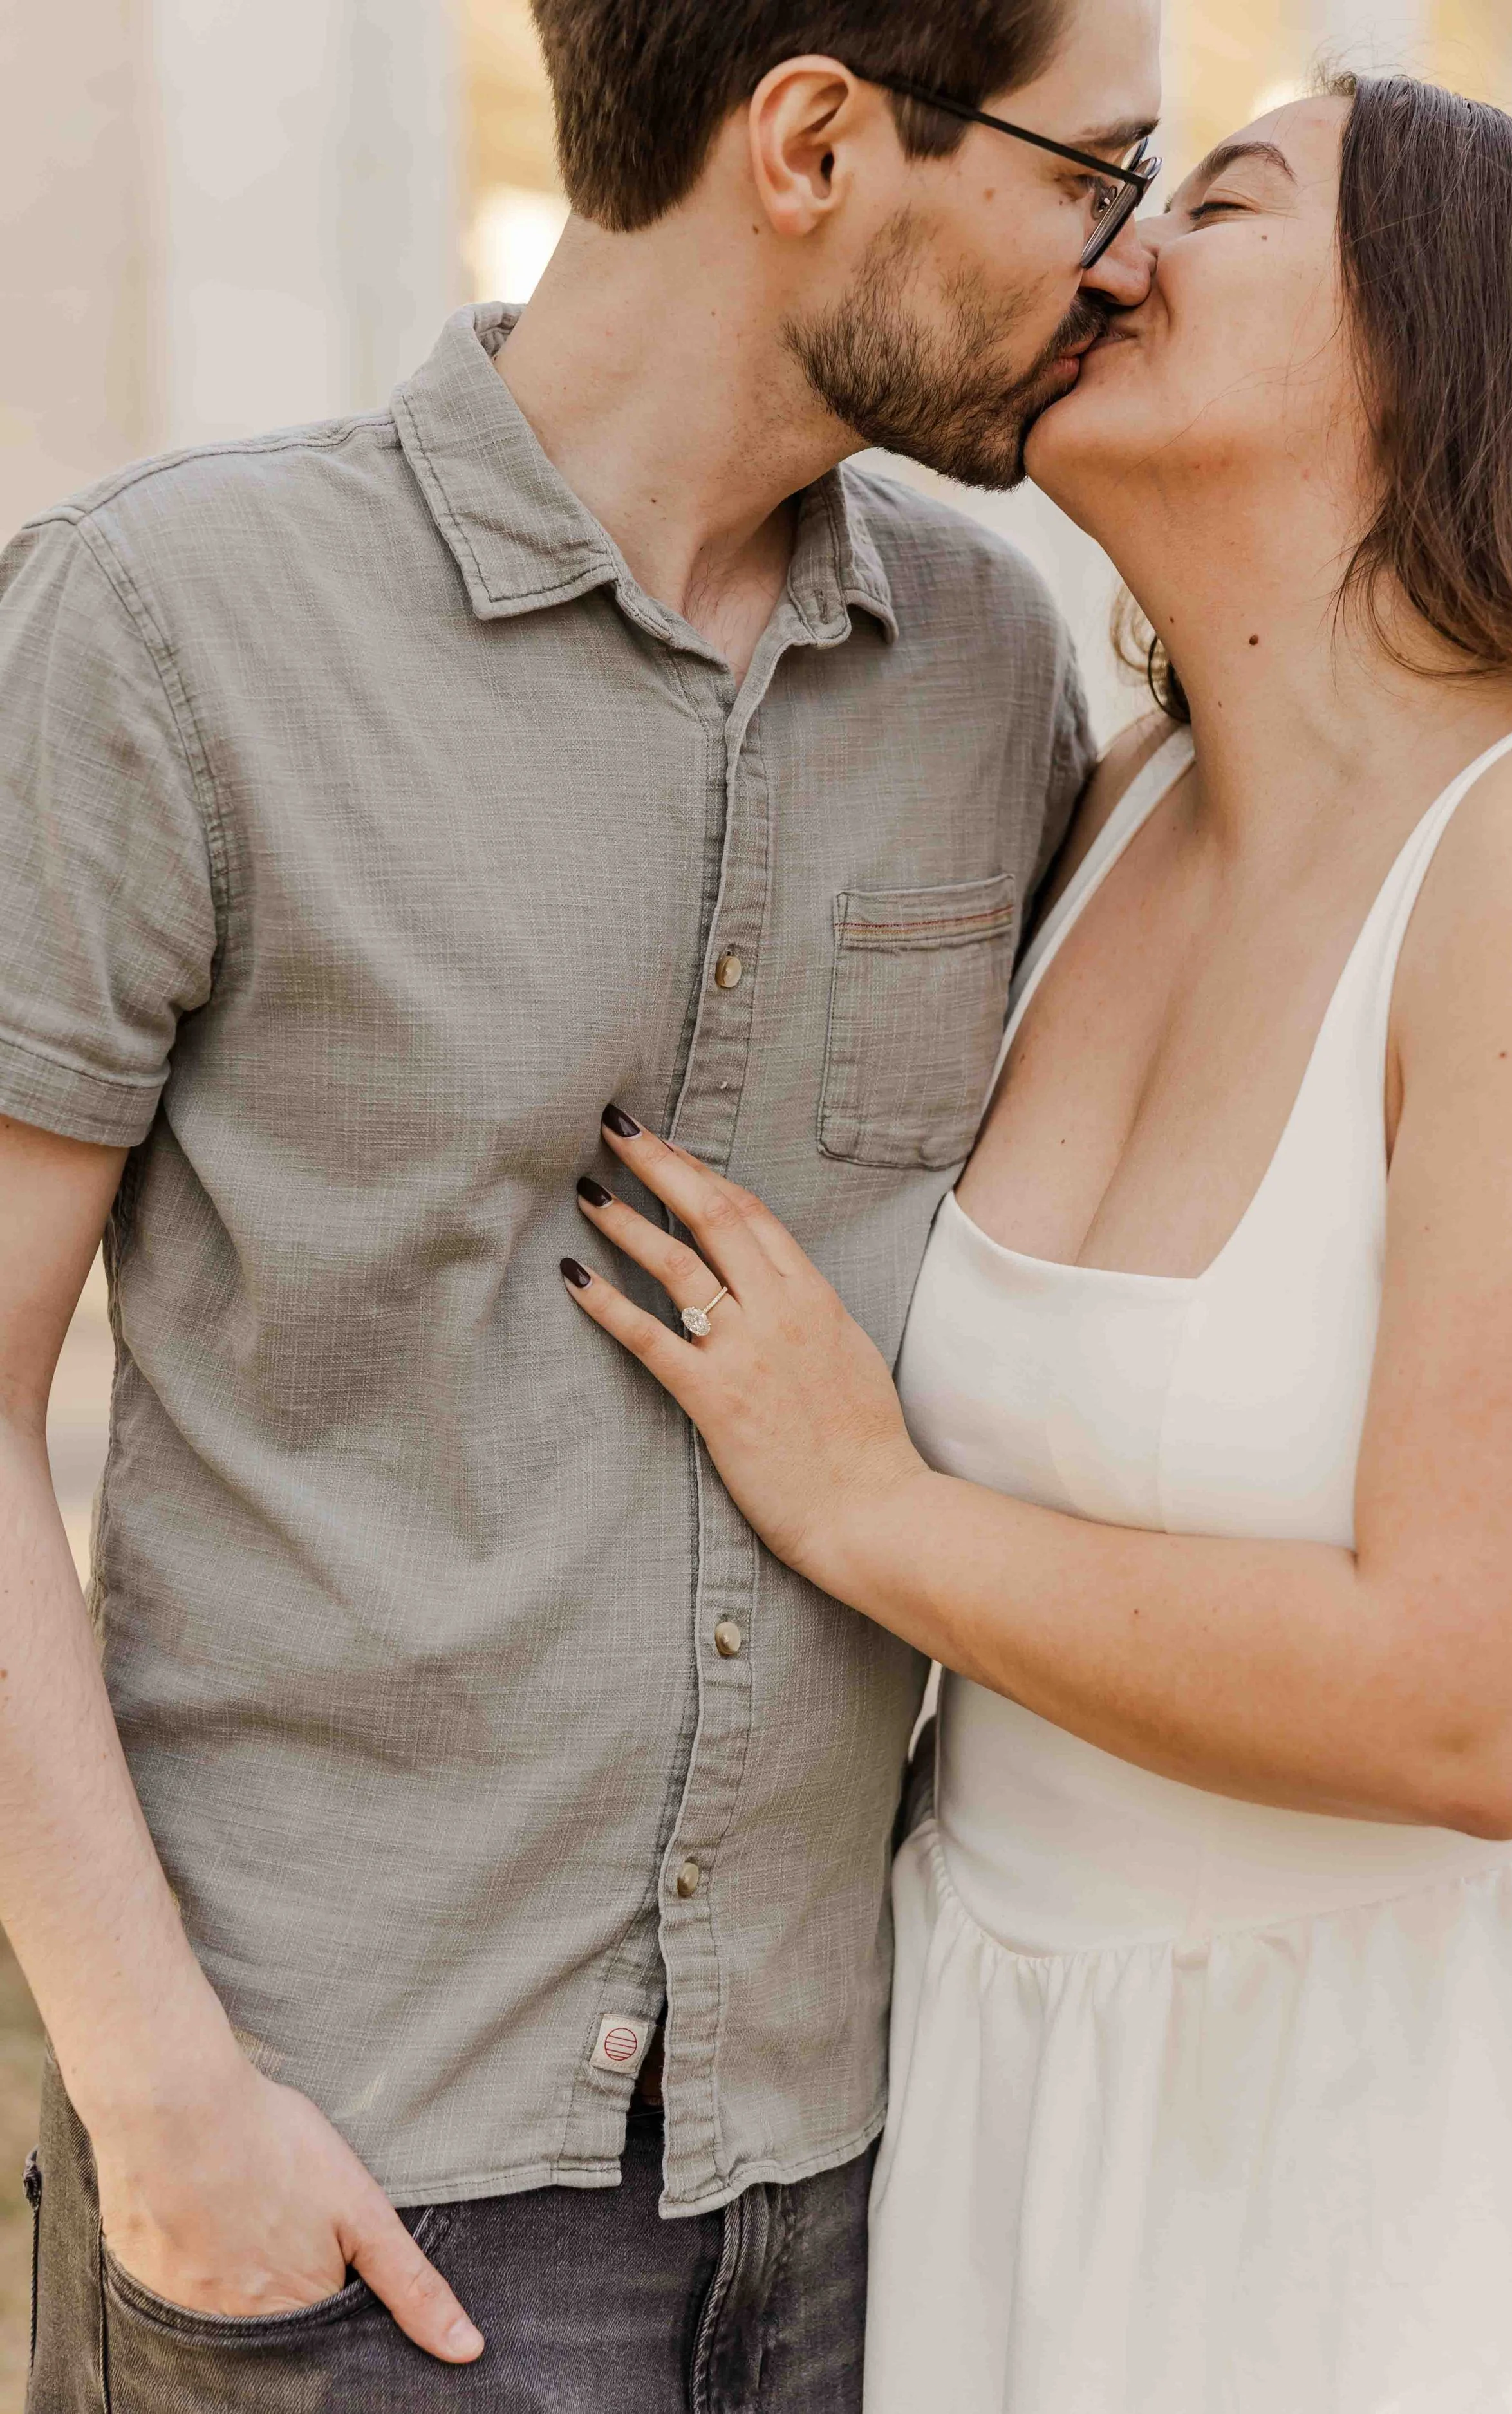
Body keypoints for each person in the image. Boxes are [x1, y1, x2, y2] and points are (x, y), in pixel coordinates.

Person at [0, 4, 1163, 2408]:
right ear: (817, 142)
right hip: (339, 2197)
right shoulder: (161, 625)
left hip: (849, 2179)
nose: (1120, 263)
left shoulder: (991, 661)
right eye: (1095, 171)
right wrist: (161, 2094)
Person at [560, 74, 1512, 2411]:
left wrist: (867, 1508)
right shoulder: (1103, 799)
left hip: (1375, 2179)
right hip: (978, 2110)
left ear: (1444, 338)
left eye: (1215, 201)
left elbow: (1482, 1700)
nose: (1107, 249)